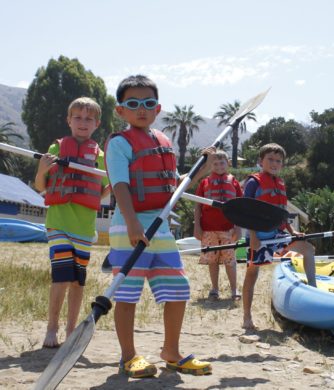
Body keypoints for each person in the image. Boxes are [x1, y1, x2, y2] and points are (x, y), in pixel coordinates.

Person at [105, 75, 214, 378]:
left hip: (161, 228)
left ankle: (171, 352)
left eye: (148, 103)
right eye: (133, 104)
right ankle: (129, 356)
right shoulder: (119, 143)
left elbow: (176, 186)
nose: (142, 109)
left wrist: (202, 167)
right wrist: (131, 224)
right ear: (121, 110)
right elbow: (120, 186)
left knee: (177, 289)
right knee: (127, 293)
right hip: (129, 227)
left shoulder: (163, 142)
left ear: (158, 108)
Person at [35, 97, 110, 348]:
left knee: (77, 280)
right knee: (61, 276)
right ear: (69, 120)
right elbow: (40, 187)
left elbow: (100, 192)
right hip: (58, 223)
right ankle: (51, 330)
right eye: (77, 117)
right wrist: (42, 170)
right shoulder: (56, 149)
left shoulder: (100, 157)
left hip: (84, 227)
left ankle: (70, 331)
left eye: (88, 119)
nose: (82, 122)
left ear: (97, 124)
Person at [242, 143, 317, 330]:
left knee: (308, 249)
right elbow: (246, 212)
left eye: (278, 161)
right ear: (261, 161)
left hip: (277, 234)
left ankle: (314, 291)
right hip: (258, 235)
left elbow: (282, 214)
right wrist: (253, 237)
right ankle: (246, 317)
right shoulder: (253, 182)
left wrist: (293, 233)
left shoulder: (280, 183)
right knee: (252, 274)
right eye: (270, 160)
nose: (274, 164)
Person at [194, 150, 243, 301]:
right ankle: (214, 289)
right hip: (208, 229)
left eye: (222, 163)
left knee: (230, 260)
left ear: (227, 164)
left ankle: (234, 290)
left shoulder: (234, 182)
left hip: (228, 229)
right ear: (210, 166)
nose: (219, 166)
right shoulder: (204, 183)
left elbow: (240, 206)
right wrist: (197, 226)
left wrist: (238, 227)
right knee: (212, 260)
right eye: (215, 163)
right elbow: (197, 206)